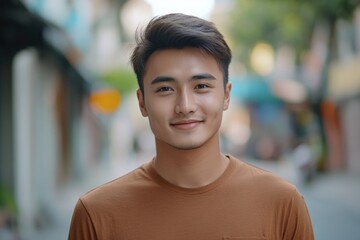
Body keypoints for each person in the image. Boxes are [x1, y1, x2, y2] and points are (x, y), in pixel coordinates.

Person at [68, 13, 314, 240]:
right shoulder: (97, 214)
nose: (185, 106)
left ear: (226, 96)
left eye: (201, 86)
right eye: (165, 89)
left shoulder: (282, 203)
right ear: (142, 102)